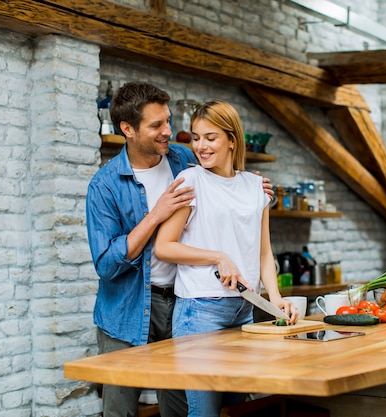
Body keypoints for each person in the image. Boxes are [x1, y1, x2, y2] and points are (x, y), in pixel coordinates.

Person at [86, 82, 273, 417]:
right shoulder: (105, 185)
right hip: (129, 306)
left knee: (178, 406)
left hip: (184, 301)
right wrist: (155, 214)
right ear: (127, 130)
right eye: (157, 125)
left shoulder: (183, 160)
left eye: (168, 121)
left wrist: (253, 188)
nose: (168, 132)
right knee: (121, 410)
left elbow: (221, 179)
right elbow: (106, 263)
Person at [154, 99, 299, 417]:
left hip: (243, 311)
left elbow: (263, 250)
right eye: (196, 137)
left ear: (232, 139)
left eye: (210, 137)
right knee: (204, 414)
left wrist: (276, 299)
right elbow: (163, 247)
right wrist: (218, 257)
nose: (200, 146)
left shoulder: (255, 187)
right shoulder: (191, 182)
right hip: (199, 312)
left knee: (237, 413)